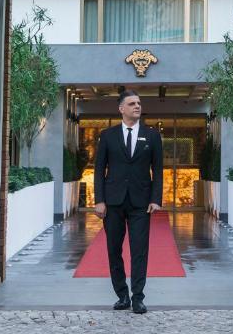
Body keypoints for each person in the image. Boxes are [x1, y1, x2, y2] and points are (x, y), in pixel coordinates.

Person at [93, 89, 163, 314]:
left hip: (141, 203)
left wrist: (156, 198)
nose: (137, 106)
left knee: (139, 250)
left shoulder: (152, 136)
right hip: (113, 202)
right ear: (121, 108)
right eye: (132, 103)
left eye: (139, 103)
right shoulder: (107, 135)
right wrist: (99, 200)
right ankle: (122, 295)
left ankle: (138, 297)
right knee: (114, 250)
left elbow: (158, 170)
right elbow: (99, 170)